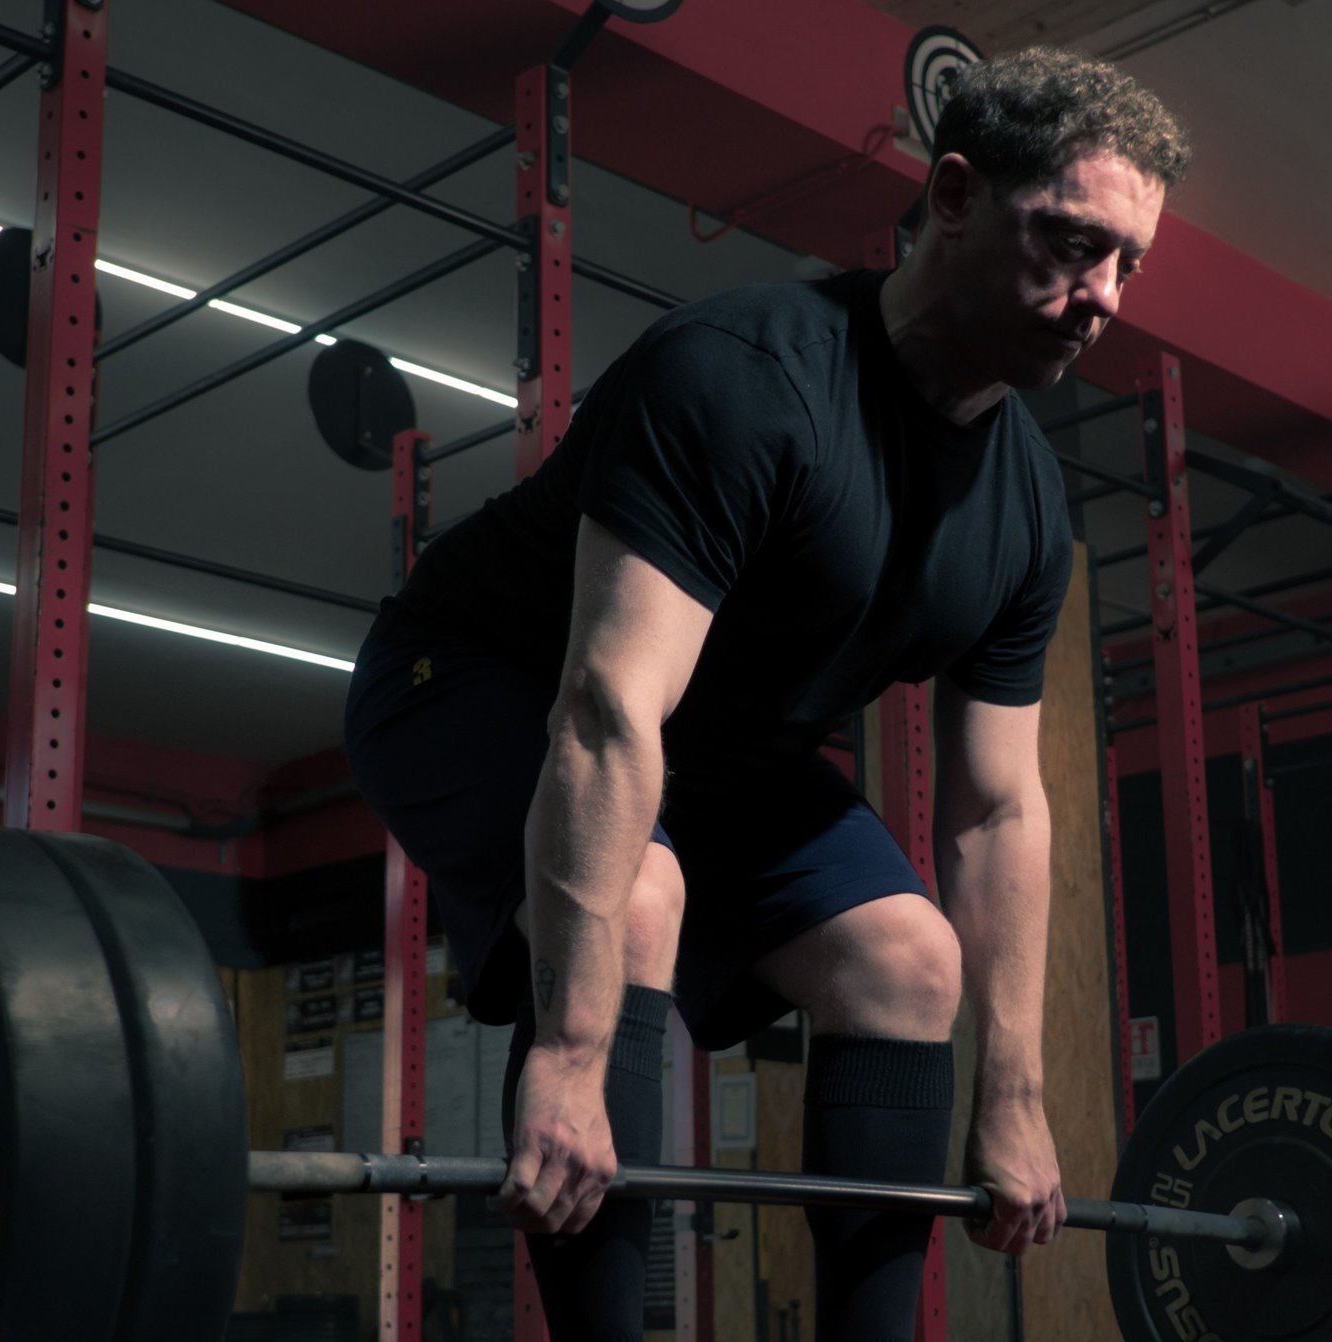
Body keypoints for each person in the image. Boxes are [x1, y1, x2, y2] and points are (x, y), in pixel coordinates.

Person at [344, 45, 1190, 1341]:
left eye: (1129, 263)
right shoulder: (745, 378)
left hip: (722, 754)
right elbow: (607, 709)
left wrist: (1015, 1096)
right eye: (1074, 243)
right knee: (640, 893)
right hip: (473, 681)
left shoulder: (1025, 508)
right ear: (953, 195)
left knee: (909, 960)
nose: (1104, 298)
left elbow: (999, 809)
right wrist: (567, 1058)